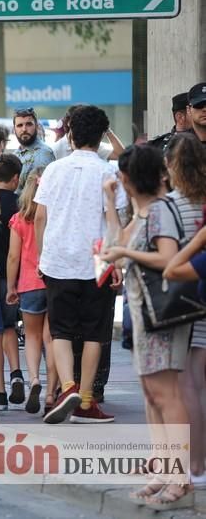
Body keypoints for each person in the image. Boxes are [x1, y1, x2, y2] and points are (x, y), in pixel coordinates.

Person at [100, 145, 193, 509]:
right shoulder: (145, 211)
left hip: (161, 314)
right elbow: (114, 245)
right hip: (144, 314)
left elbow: (167, 258)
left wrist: (126, 255)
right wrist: (110, 206)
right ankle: (165, 471)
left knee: (167, 396)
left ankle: (179, 477)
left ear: (127, 178)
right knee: (154, 396)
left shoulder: (159, 211)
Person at [35, 105, 121, 425]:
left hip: (57, 258)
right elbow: (115, 220)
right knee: (94, 333)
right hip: (97, 259)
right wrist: (118, 262)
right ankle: (85, 399)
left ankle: (66, 386)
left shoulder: (54, 170)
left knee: (61, 329)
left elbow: (40, 217)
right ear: (100, 137)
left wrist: (43, 257)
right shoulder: (108, 172)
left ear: (70, 134)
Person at [161, 132, 206, 490]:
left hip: (182, 298)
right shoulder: (203, 201)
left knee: (186, 383)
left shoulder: (171, 204)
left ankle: (194, 462)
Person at [6, 168, 57, 416]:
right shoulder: (57, 215)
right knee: (52, 339)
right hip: (55, 281)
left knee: (33, 337)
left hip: (29, 284)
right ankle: (51, 393)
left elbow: (13, 256)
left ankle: (35, 378)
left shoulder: (19, 218)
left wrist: (10, 286)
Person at [0, 154, 24, 410]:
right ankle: (17, 373)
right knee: (10, 326)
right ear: (16, 179)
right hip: (14, 277)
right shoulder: (21, 204)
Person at [51, 104, 125, 161]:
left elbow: (121, 155)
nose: (86, 127)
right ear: (70, 124)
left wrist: (106, 128)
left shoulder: (92, 144)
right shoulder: (55, 150)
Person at [13, 107, 55, 192]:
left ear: (36, 126)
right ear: (14, 129)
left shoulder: (44, 153)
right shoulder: (15, 154)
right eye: (20, 125)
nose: (24, 129)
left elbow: (43, 192)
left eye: (29, 124)